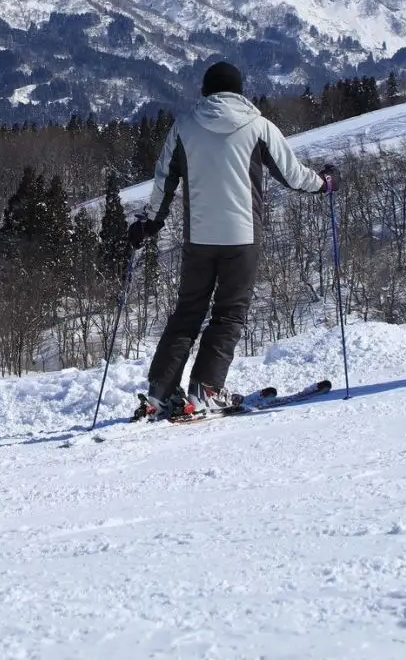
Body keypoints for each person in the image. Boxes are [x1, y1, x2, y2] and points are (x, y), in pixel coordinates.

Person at [128, 61, 334, 418]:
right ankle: (206, 388)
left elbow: (164, 180)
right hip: (242, 237)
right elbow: (293, 175)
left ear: (206, 91)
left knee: (187, 313)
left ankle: (161, 391)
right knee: (228, 315)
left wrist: (150, 223)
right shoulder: (258, 126)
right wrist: (325, 183)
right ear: (240, 91)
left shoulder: (185, 127)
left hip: (199, 238)